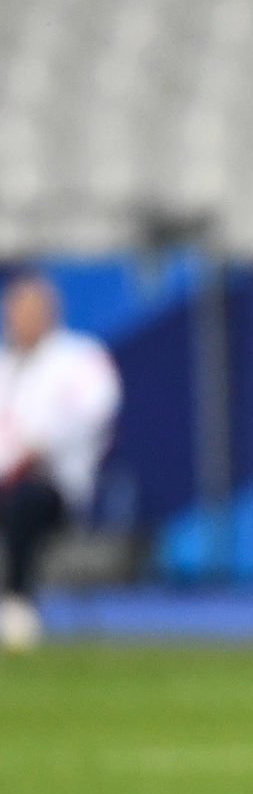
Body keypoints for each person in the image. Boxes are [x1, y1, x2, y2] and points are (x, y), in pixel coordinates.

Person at [0, 275, 121, 652]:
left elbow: (97, 409)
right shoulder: (5, 364)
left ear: (50, 313)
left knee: (24, 502)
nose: (21, 319)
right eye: (16, 310)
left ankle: (18, 603)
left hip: (55, 484)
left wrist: (39, 445)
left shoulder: (79, 358)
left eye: (31, 310)